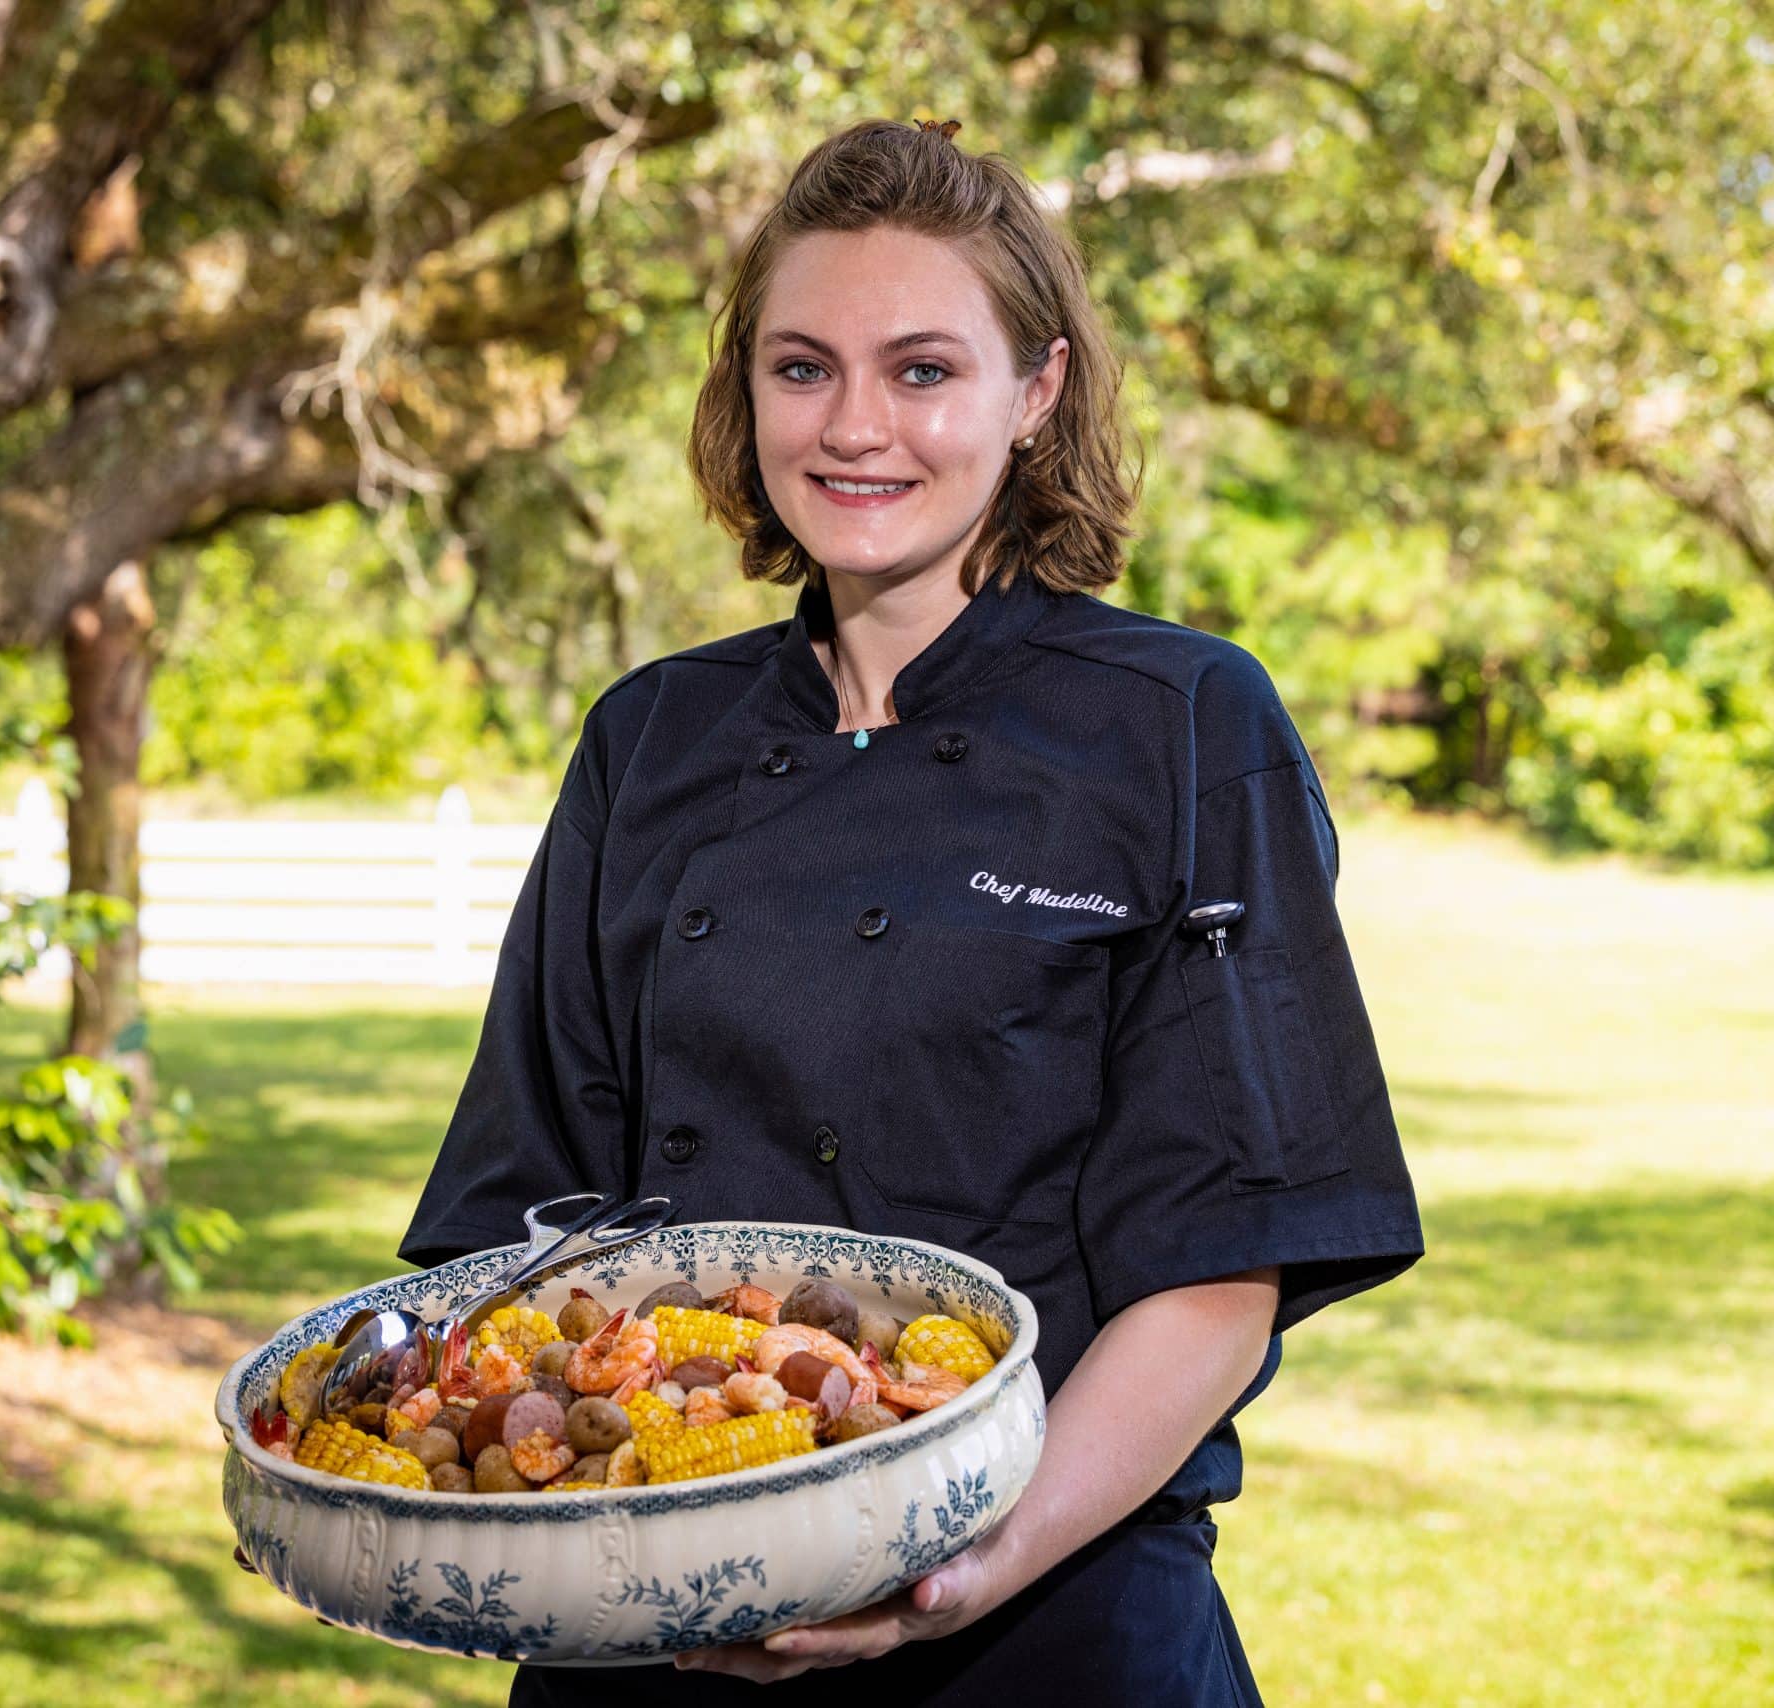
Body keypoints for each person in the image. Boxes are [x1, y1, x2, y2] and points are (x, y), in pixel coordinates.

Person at [398, 115, 1425, 1705]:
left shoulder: (1180, 726)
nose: (855, 426)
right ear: (746, 402)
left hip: (1046, 1622)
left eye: (924, 370)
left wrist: (964, 1569)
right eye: (802, 368)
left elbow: (1222, 1265)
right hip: (640, 1621)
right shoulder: (651, 739)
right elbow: (522, 1233)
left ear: (1038, 394)